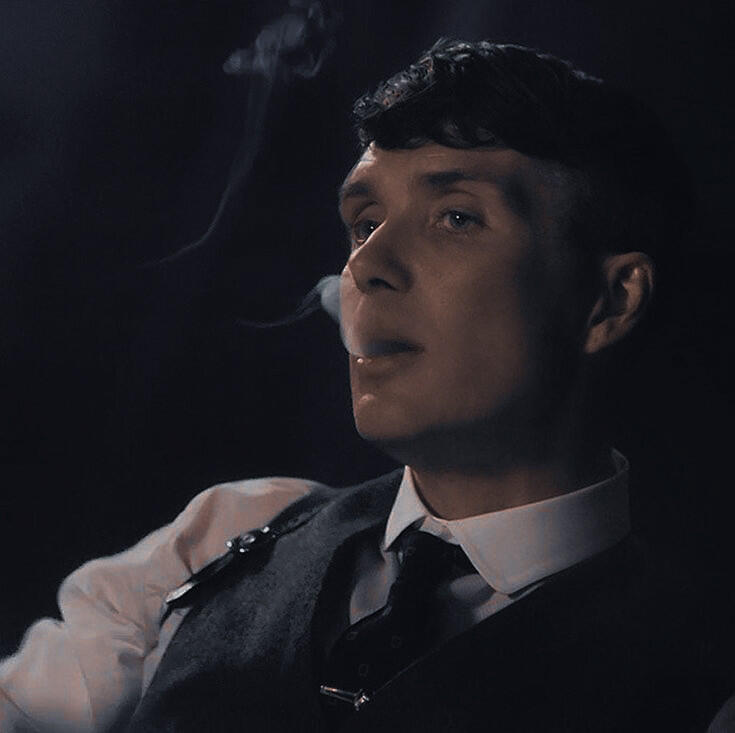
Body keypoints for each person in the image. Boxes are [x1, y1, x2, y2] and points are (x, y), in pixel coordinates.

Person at [0, 38, 730, 732]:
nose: (366, 265)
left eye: (456, 217)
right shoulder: (227, 538)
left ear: (609, 301)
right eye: (364, 222)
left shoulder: (704, 683)